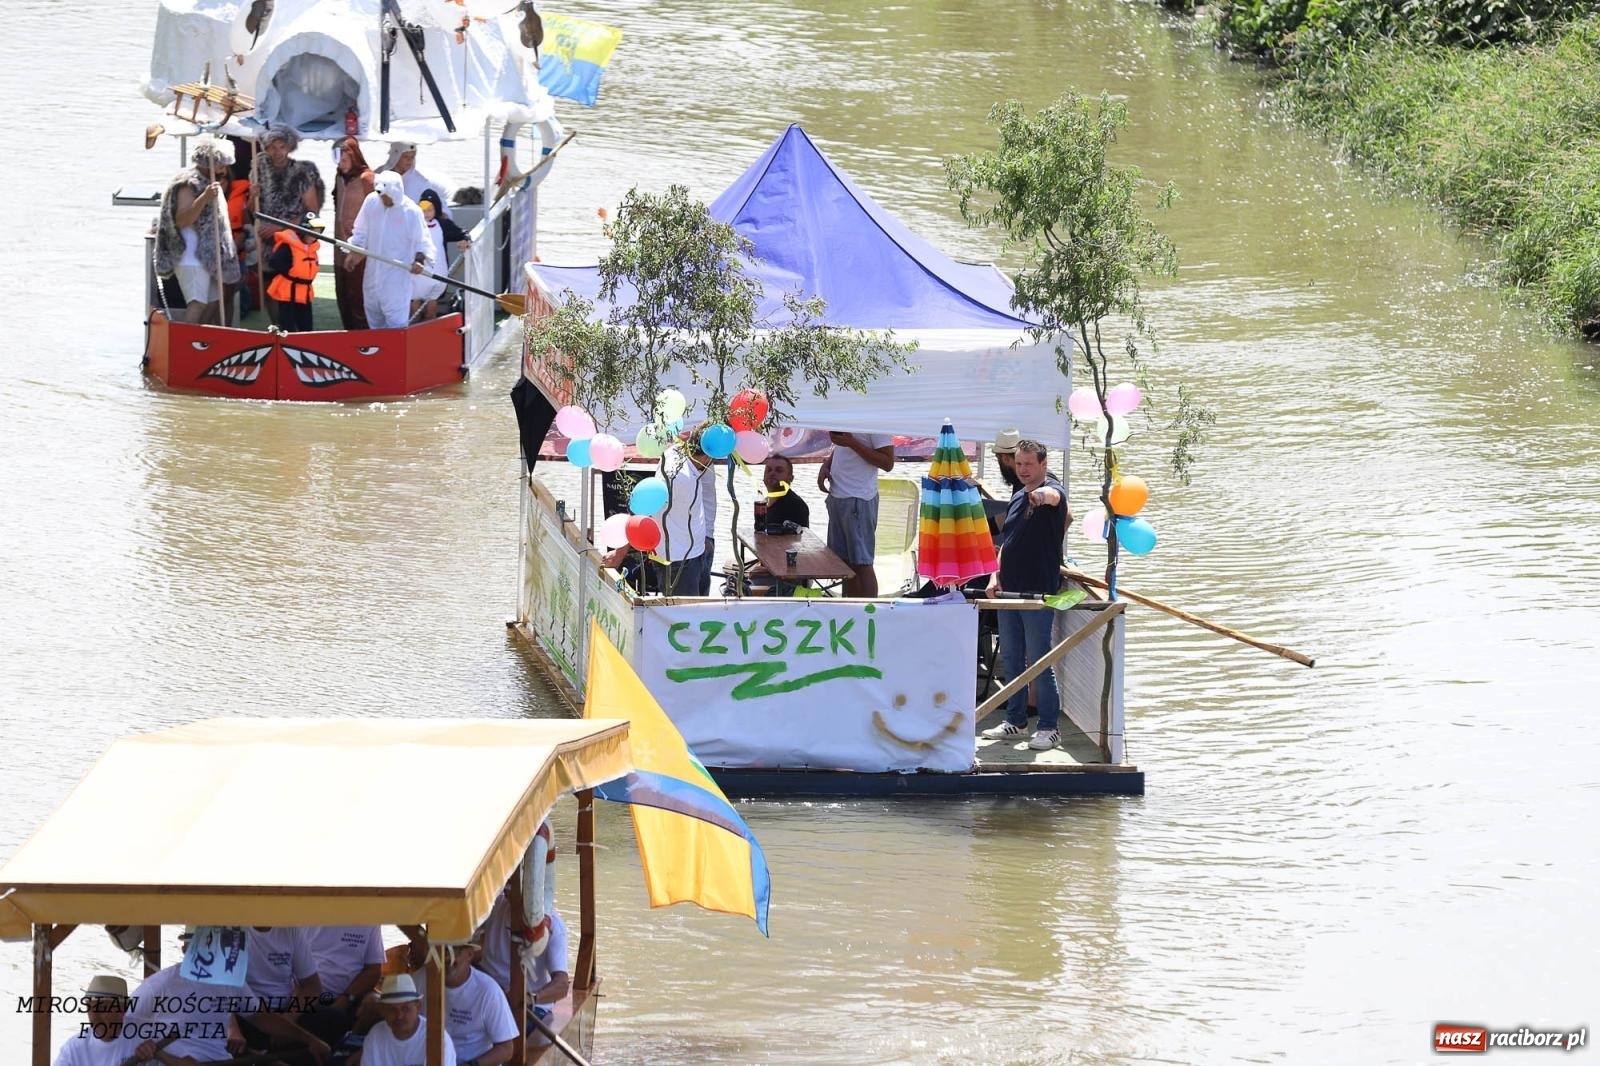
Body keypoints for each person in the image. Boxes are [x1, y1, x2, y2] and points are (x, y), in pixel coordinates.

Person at [982, 439, 1072, 750]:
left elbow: (1053, 498)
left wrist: (1041, 496)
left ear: (1043, 465)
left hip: (1036, 594)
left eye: (1028, 465)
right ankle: (1015, 720)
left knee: (1038, 662)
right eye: (1018, 464)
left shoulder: (1051, 489)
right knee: (1011, 659)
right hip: (1007, 591)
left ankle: (1049, 727)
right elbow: (1007, 542)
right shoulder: (1019, 495)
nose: (1022, 470)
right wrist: (995, 575)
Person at [124, 932, 251, 1062]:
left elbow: (259, 1015)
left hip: (220, 1059)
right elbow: (124, 1023)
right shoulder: (161, 983)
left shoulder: (229, 979)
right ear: (185, 949)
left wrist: (233, 1028)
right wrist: (151, 1050)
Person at [155, 137, 240, 325]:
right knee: (197, 304)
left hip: (207, 256)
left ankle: (198, 341)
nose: (224, 170)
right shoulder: (188, 183)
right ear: (210, 163)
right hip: (189, 256)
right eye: (221, 165)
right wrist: (204, 197)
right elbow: (182, 220)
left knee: (215, 302)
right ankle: (181, 345)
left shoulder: (210, 183)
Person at [252, 127, 325, 328]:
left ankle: (294, 333)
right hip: (266, 243)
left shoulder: (302, 173)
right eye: (272, 147)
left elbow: (312, 212)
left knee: (293, 290)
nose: (277, 152)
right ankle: (278, 330)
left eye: (281, 146)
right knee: (269, 289)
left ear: (289, 147)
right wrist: (253, 196)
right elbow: (250, 210)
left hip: (292, 245)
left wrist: (278, 228)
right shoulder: (259, 170)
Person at [347, 171, 432, 329]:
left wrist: (419, 261)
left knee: (396, 325)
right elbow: (361, 230)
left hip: (396, 279)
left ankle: (396, 352)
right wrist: (354, 250)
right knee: (374, 320)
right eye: (381, 196)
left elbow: (422, 240)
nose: (383, 200)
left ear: (396, 191)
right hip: (372, 275)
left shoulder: (411, 211)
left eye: (386, 196)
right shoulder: (371, 202)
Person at [817, 430, 895, 597]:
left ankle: (869, 614)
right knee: (843, 565)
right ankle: (849, 611)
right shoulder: (848, 414)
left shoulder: (876, 419)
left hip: (859, 499)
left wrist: (852, 443)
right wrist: (827, 465)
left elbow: (888, 463)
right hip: (837, 495)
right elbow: (842, 448)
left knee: (862, 563)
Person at [236, 926, 328, 1064]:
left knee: (333, 1020)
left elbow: (313, 986)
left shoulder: (291, 930)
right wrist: (232, 1029)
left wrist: (288, 1021)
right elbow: (219, 994)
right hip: (243, 1016)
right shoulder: (230, 930)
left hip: (282, 1010)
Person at [420, 943, 516, 1066]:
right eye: (442, 951)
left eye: (455, 951)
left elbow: (506, 1049)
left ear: (470, 954)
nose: (448, 958)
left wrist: (472, 1065)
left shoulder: (488, 990)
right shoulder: (419, 980)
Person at [299, 925, 384, 1048]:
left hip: (352, 996)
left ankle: (347, 1049)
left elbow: (373, 970)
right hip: (305, 993)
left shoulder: (369, 916)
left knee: (377, 1005)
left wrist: (346, 998)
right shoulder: (301, 911)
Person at [353, 974, 456, 1066]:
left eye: (405, 1008)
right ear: (383, 1010)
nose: (399, 1016)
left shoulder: (437, 1038)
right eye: (392, 1010)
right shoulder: (375, 1036)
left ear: (418, 1006)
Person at [51, 975, 148, 1066]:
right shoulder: (73, 1049)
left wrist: (157, 1054)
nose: (94, 1016)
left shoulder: (143, 1037)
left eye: (101, 1008)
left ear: (122, 1010)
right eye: (89, 1007)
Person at [333, 137, 376, 329]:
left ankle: (364, 340)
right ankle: (348, 334)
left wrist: (364, 245)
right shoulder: (339, 177)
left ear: (353, 157)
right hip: (340, 244)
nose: (341, 166)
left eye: (344, 161)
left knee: (358, 295)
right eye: (338, 161)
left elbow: (376, 214)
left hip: (360, 247)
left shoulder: (367, 178)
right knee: (343, 293)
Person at [265, 212, 322, 332]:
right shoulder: (288, 246)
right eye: (312, 231)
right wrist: (291, 270)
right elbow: (275, 262)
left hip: (304, 292)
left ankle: (305, 347)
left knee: (306, 326)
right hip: (288, 293)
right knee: (288, 326)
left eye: (318, 231)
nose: (315, 235)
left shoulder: (312, 248)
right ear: (303, 231)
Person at [382, 141, 456, 210]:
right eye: (406, 157)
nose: (409, 160)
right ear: (396, 156)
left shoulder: (421, 181)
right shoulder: (380, 174)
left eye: (412, 157)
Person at [760, 455, 810, 530]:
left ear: (790, 478)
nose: (772, 473)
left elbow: (798, 538)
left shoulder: (796, 505)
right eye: (769, 470)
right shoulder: (763, 502)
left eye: (779, 470)